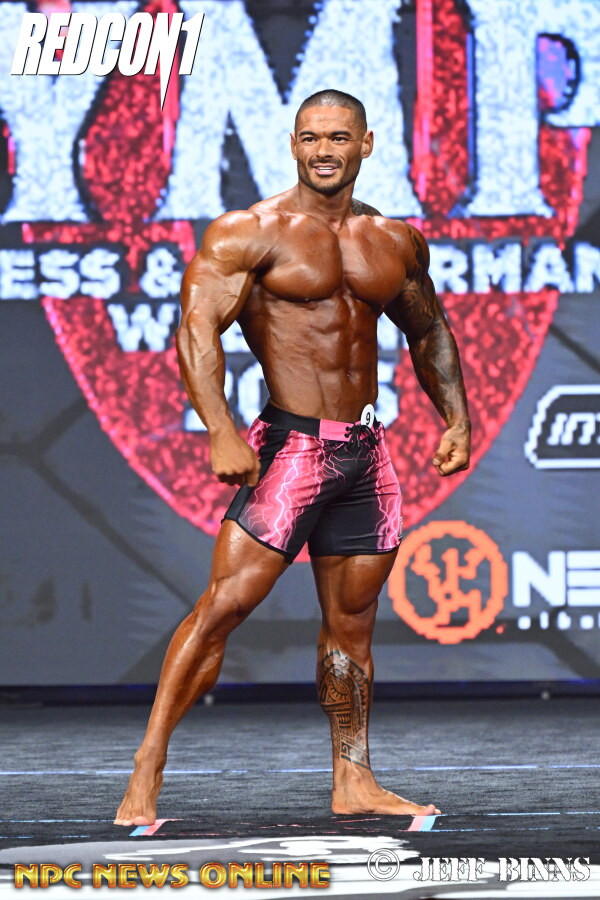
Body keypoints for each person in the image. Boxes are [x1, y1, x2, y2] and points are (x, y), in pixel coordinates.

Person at [114, 89, 470, 826]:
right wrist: (219, 428)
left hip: (365, 454)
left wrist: (457, 419)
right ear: (292, 145)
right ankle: (147, 768)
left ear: (366, 143)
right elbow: (197, 329)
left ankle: (353, 779)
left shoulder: (392, 240)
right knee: (225, 607)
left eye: (337, 137)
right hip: (292, 450)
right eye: (310, 138)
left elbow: (428, 329)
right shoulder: (251, 232)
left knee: (353, 626)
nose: (323, 151)